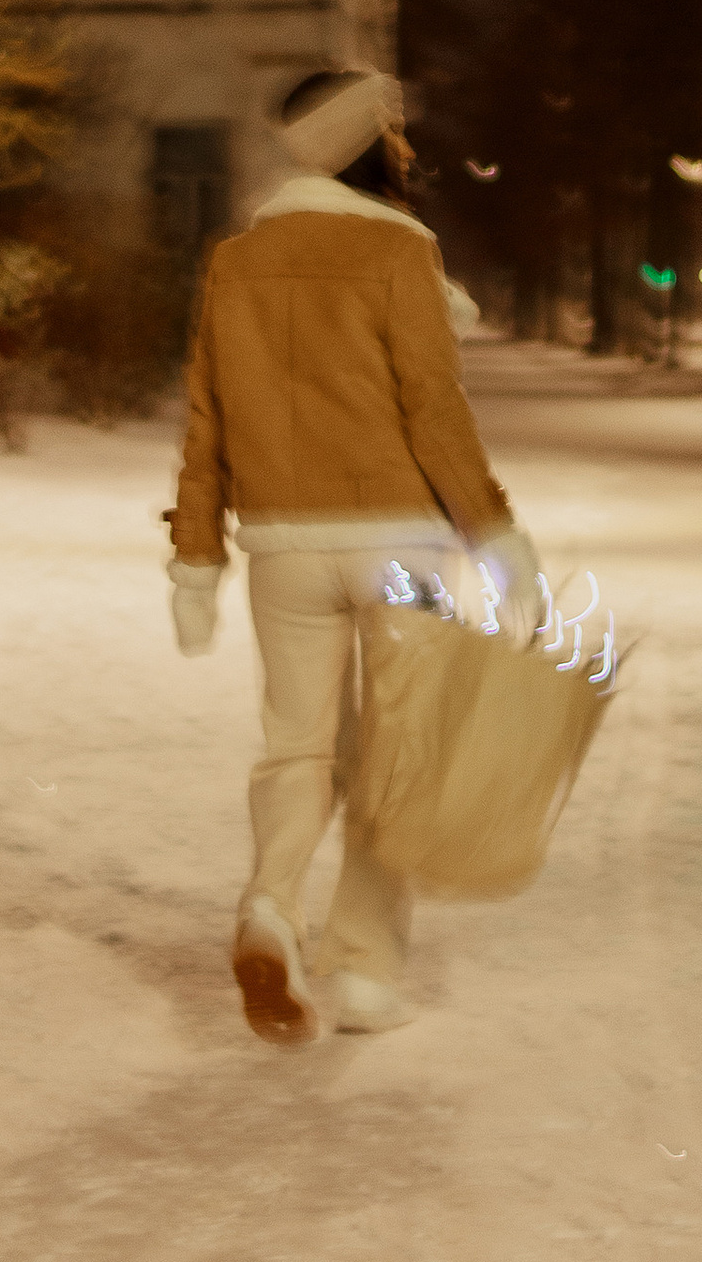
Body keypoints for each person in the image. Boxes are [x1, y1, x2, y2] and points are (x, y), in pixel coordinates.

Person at [167, 67, 543, 1045]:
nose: (406, 151)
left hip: (283, 548)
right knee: (396, 753)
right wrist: (496, 538)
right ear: (365, 146)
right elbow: (432, 409)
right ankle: (369, 972)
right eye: (394, 134)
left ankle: (269, 907)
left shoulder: (237, 260)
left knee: (297, 748)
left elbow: (207, 417)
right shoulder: (400, 251)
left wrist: (197, 557)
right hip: (400, 546)